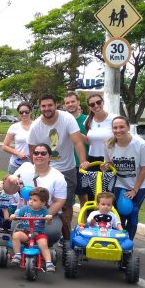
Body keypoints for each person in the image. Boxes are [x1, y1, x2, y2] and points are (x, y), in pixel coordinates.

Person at [27, 94, 89, 244]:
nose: (47, 108)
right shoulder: (36, 125)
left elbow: (78, 142)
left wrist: (83, 162)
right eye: (43, 106)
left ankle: (66, 239)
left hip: (66, 169)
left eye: (50, 105)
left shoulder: (67, 118)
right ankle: (40, 233)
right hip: (44, 169)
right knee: (40, 202)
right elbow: (32, 150)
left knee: (66, 206)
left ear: (56, 105)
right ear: (40, 107)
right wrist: (36, 170)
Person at [8, 144, 68, 246]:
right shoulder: (25, 167)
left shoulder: (57, 176)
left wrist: (42, 217)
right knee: (16, 228)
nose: (39, 155)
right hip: (25, 213)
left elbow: (59, 201)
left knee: (50, 233)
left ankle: (45, 248)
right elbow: (9, 187)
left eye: (43, 153)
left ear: (49, 157)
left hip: (46, 213)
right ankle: (23, 249)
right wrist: (10, 178)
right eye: (36, 153)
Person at [103, 116, 145, 239]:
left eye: (121, 127)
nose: (118, 130)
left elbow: (144, 168)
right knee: (120, 212)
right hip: (120, 182)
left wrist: (135, 190)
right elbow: (109, 163)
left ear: (128, 127)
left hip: (141, 183)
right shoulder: (109, 144)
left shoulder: (140, 144)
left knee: (132, 212)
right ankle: (118, 239)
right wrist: (106, 166)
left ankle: (128, 243)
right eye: (115, 127)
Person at [9, 187, 55, 272]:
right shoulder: (24, 209)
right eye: (30, 199)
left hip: (39, 234)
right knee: (16, 235)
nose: (31, 201)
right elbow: (16, 216)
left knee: (43, 244)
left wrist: (48, 218)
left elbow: (48, 223)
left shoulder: (44, 211)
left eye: (35, 200)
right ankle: (17, 255)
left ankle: (49, 263)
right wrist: (14, 216)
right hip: (25, 232)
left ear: (43, 203)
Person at [63, 91, 90, 206]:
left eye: (73, 101)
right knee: (65, 198)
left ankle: (84, 223)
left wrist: (76, 133)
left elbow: (91, 141)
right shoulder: (62, 120)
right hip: (66, 164)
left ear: (78, 102)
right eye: (67, 103)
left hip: (81, 164)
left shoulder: (87, 120)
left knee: (83, 196)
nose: (70, 104)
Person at [83, 94, 117, 163]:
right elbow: (88, 140)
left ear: (103, 102)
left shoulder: (114, 118)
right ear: (89, 107)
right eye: (92, 104)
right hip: (92, 158)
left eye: (98, 102)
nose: (96, 105)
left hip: (111, 158)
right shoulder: (88, 120)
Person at [2, 102, 33, 174]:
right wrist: (17, 153)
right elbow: (4, 146)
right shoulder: (14, 127)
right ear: (19, 113)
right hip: (16, 164)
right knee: (13, 184)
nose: (24, 114)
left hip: (32, 164)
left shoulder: (36, 125)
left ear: (31, 112)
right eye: (21, 112)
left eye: (26, 112)